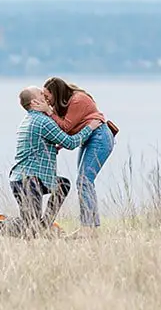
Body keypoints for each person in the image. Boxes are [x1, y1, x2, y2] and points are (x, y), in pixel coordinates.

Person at [8, 85, 94, 232]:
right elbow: (71, 143)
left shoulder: (28, 120)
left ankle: (44, 226)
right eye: (41, 94)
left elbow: (36, 146)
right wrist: (90, 127)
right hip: (30, 181)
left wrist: (53, 148)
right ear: (35, 103)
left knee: (62, 185)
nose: (45, 96)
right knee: (30, 228)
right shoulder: (43, 122)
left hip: (23, 179)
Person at [43, 77, 117, 230]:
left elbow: (65, 127)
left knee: (84, 181)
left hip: (99, 137)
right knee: (84, 181)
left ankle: (88, 228)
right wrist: (59, 145)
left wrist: (49, 112)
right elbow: (72, 128)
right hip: (89, 138)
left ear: (56, 93)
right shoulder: (64, 103)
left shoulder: (77, 100)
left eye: (47, 95)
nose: (45, 99)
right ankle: (91, 227)